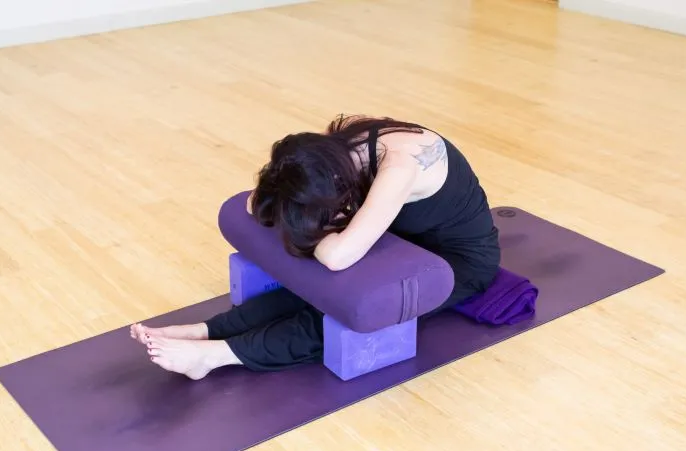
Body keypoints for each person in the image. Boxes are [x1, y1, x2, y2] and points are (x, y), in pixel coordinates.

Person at [130, 114, 500, 379]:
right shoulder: (336, 149)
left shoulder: (399, 167)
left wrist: (316, 234)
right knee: (306, 290)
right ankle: (207, 330)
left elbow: (336, 256)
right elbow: (254, 202)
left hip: (455, 263)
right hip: (401, 240)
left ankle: (216, 356)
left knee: (338, 311)